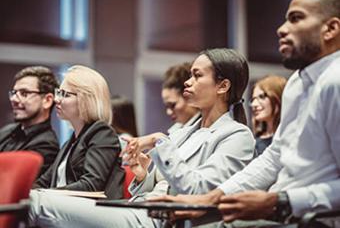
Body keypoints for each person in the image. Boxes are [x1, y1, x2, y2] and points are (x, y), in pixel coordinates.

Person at [151, 0, 340, 228]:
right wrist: (213, 197)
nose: (281, 29)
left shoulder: (336, 80)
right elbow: (274, 158)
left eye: (296, 18)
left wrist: (281, 200)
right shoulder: (297, 83)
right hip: (286, 212)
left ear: (330, 29)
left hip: (313, 220)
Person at [29, 48, 255, 228]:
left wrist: (160, 141)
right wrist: (141, 173)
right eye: (190, 75)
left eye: (197, 76)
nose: (188, 82)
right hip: (139, 208)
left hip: (161, 220)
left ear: (223, 86)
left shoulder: (237, 136)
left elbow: (199, 192)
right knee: (30, 203)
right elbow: (156, 185)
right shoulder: (184, 130)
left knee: (36, 203)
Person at [32, 65, 123, 198]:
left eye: (65, 94)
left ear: (86, 100)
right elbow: (43, 182)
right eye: (59, 92)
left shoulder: (102, 134)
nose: (57, 99)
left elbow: (91, 186)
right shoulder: (71, 141)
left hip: (94, 211)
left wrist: (46, 195)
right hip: (65, 208)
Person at [0, 66, 59, 176]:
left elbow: (10, 180)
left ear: (47, 100)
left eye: (24, 93)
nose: (14, 99)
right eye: (14, 93)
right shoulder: (7, 131)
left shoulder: (46, 145)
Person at [250, 75, 286, 155]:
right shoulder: (255, 141)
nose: (254, 104)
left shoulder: (288, 138)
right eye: (253, 99)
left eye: (262, 97)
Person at [161, 62, 200, 134]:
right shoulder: (175, 130)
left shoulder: (204, 130)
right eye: (167, 106)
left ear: (190, 97)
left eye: (173, 105)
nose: (169, 112)